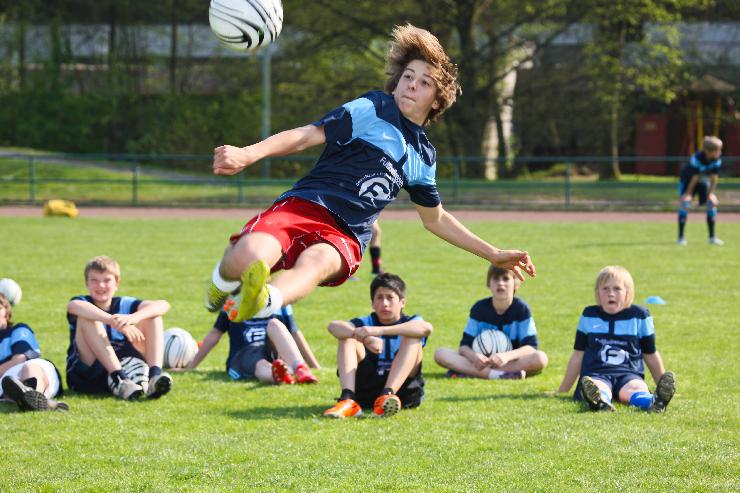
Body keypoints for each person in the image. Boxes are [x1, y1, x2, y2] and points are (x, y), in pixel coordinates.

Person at [204, 23, 536, 325]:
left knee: (316, 262)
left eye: (424, 83)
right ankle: (222, 284)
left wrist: (492, 253)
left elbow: (435, 219)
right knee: (245, 258)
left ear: (436, 100)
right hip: (302, 205)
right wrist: (249, 153)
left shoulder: (422, 156)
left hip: (345, 234)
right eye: (408, 76)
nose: (411, 85)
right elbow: (308, 134)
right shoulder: (374, 107)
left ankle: (265, 300)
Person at [557, 266, 676, 413]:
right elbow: (578, 355)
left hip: (628, 373)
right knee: (597, 387)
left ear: (628, 292)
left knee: (635, 388)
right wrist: (563, 390)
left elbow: (650, 354)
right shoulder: (589, 315)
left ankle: (654, 402)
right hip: (597, 373)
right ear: (597, 293)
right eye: (605, 289)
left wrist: (661, 385)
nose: (610, 294)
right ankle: (600, 402)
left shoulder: (639, 316)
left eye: (617, 289)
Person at [323, 273, 432, 418]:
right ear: (373, 304)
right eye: (380, 298)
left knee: (413, 337)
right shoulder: (366, 323)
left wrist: (380, 331)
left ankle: (387, 395)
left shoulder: (412, 321)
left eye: (390, 297)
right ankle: (348, 400)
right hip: (367, 388)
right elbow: (333, 326)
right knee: (347, 337)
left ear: (402, 302)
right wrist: (365, 338)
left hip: (403, 392)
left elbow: (426, 329)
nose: (385, 303)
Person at [65, 256, 173, 401]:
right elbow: (73, 306)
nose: (101, 285)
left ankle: (154, 376)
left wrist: (134, 318)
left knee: (153, 316)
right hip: (87, 373)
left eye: (107, 280)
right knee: (87, 318)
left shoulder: (124, 303)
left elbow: (163, 304)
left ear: (117, 283)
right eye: (94, 280)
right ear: (86, 283)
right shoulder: (83, 302)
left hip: (124, 365)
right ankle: (120, 379)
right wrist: (112, 321)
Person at [434, 266, 547, 380]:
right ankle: (500, 375)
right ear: (489, 283)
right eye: (496, 279)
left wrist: (506, 356)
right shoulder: (479, 308)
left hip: (509, 362)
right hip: (480, 363)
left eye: (505, 279)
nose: (500, 283)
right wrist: (474, 357)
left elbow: (531, 347)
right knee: (441, 354)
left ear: (515, 283)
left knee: (541, 358)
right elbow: (464, 347)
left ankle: (472, 372)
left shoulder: (521, 309)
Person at [184, 301, 319, 385]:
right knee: (260, 363)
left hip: (271, 350)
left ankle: (300, 369)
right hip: (244, 353)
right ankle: (278, 376)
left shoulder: (279, 299)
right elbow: (215, 333)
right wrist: (191, 366)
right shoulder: (233, 302)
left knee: (275, 324)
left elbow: (294, 333)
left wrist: (315, 366)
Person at [0, 294, 68, 411]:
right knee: (8, 384)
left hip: (35, 372)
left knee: (29, 367)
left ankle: (32, 395)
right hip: (5, 382)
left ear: (6, 311)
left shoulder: (18, 329)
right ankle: (36, 401)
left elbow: (20, 359)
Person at [677, 135, 724, 246]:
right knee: (685, 204)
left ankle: (712, 237)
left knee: (711, 204)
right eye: (718, 150)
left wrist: (711, 194)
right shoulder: (696, 158)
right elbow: (694, 177)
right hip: (688, 182)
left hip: (703, 182)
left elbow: (714, 178)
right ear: (709, 151)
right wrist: (688, 194)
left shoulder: (717, 160)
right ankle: (680, 238)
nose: (720, 152)